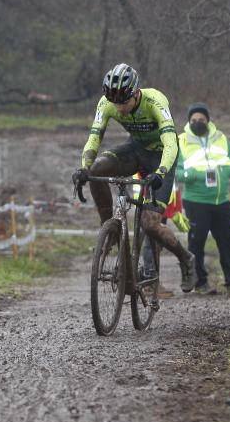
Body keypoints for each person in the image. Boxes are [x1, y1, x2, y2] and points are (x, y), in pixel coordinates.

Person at [72, 63, 198, 292]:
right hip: (135, 150)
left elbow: (171, 142)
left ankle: (186, 258)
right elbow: (94, 138)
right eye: (115, 103)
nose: (119, 109)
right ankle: (108, 231)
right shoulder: (106, 103)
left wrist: (160, 172)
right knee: (96, 171)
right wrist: (84, 167)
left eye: (124, 103)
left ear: (136, 93)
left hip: (161, 156)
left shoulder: (155, 101)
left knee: (149, 224)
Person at [176, 102, 230, 292]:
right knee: (196, 244)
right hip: (196, 201)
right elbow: (177, 171)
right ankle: (200, 282)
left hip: (221, 201)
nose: (198, 122)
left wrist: (229, 170)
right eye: (194, 120)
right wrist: (194, 175)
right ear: (189, 122)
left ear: (208, 120)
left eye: (202, 119)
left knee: (227, 242)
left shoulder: (220, 137)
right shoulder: (181, 141)